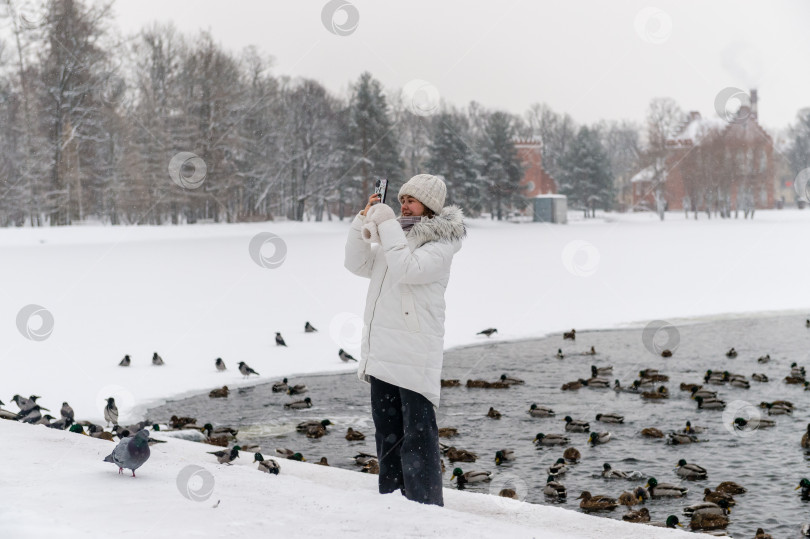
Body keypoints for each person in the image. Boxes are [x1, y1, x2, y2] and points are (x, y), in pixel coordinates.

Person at [344, 174, 465, 506]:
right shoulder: (395, 236)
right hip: (382, 347)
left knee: (418, 434)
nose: (403, 205)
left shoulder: (441, 243)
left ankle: (425, 503)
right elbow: (355, 263)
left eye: (411, 200)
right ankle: (392, 500)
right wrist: (363, 223)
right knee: (388, 432)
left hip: (414, 349)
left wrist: (387, 228)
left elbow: (408, 269)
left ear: (429, 207)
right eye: (400, 200)